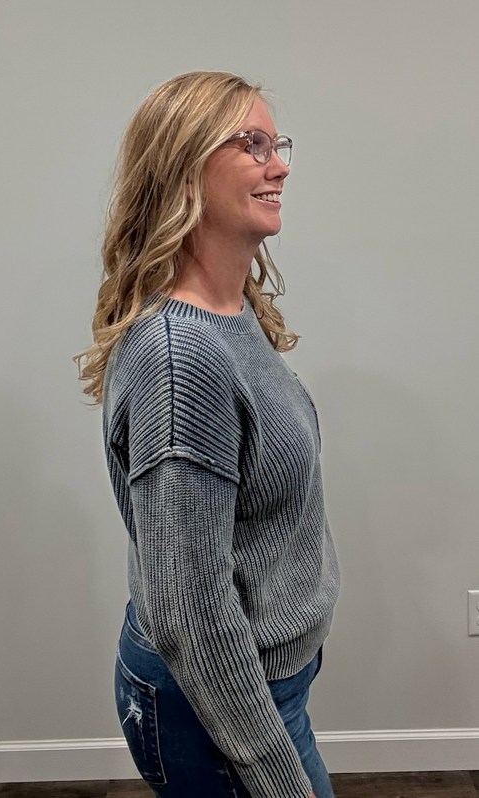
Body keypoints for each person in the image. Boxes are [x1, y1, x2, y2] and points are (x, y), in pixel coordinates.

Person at [74, 70, 341, 798]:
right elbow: (189, 614)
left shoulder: (233, 311)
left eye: (276, 145)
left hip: (257, 684)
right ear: (184, 166)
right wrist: (274, 772)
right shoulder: (181, 358)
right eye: (252, 145)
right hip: (218, 705)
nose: (279, 166)